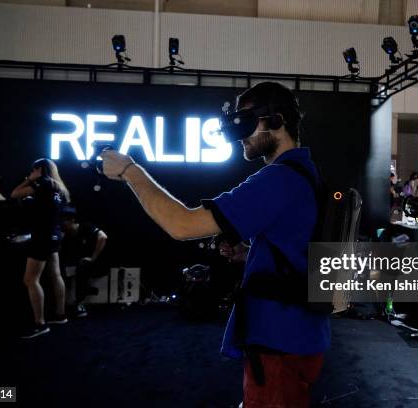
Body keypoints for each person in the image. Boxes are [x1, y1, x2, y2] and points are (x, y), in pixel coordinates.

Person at [101, 81, 330, 407]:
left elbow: (180, 224)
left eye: (248, 124)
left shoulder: (278, 179)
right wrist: (250, 254)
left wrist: (130, 171)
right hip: (300, 334)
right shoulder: (305, 173)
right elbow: (298, 246)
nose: (241, 136)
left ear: (276, 122)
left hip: (279, 340)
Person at [11, 158, 71, 339]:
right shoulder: (59, 188)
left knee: (30, 280)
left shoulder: (43, 183)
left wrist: (29, 179)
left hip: (42, 237)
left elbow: (14, 194)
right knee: (55, 275)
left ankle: (40, 324)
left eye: (34, 169)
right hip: (54, 236)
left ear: (39, 169)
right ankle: (60, 315)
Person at [60, 209, 108, 318]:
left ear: (72, 220)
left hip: (96, 261)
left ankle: (79, 303)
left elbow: (103, 237)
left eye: (63, 221)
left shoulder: (86, 227)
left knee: (82, 266)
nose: (61, 224)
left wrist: (93, 258)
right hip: (78, 262)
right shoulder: (66, 235)